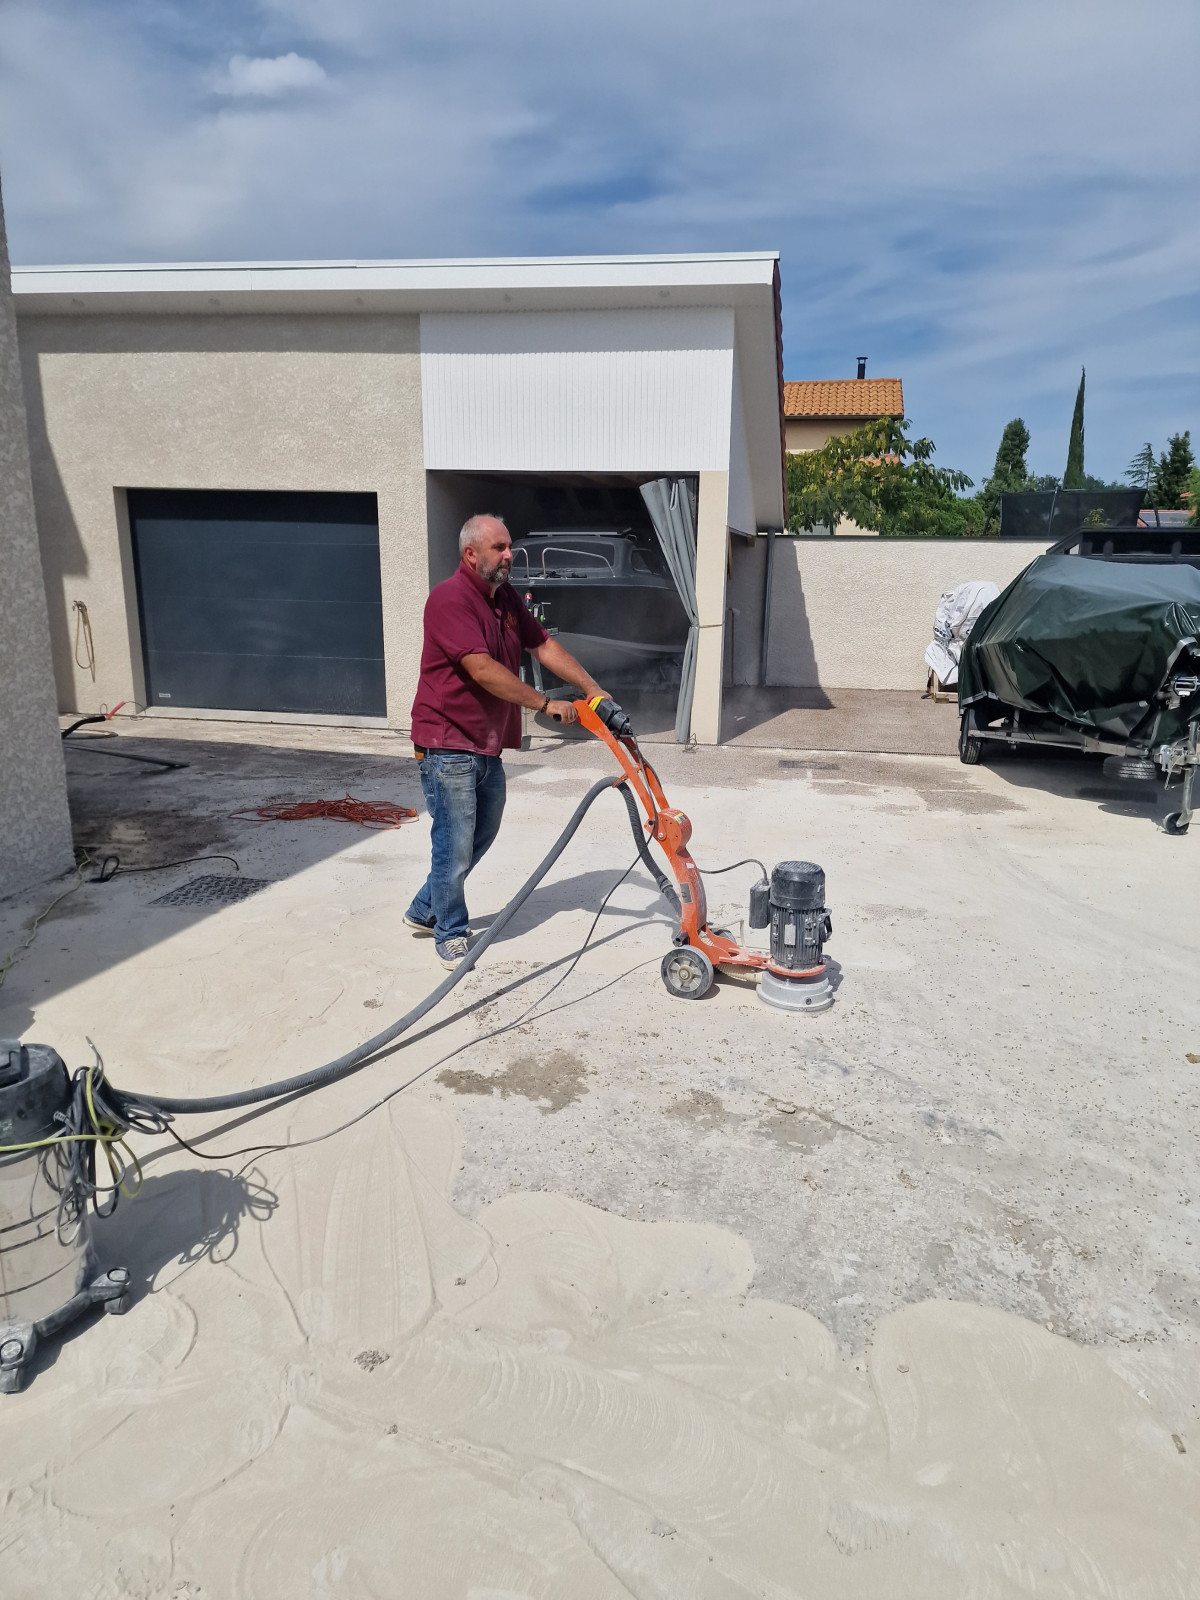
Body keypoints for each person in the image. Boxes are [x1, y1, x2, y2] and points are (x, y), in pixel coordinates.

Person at [406, 514, 606, 967]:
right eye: (499, 547)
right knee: (454, 841)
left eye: (509, 546)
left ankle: (425, 907)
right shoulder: (449, 599)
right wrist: (544, 703)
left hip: (484, 742)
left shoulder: (505, 598)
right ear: (470, 553)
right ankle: (450, 932)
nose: (509, 555)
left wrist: (592, 687)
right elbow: (481, 669)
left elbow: (543, 646)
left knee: (482, 832)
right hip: (446, 742)